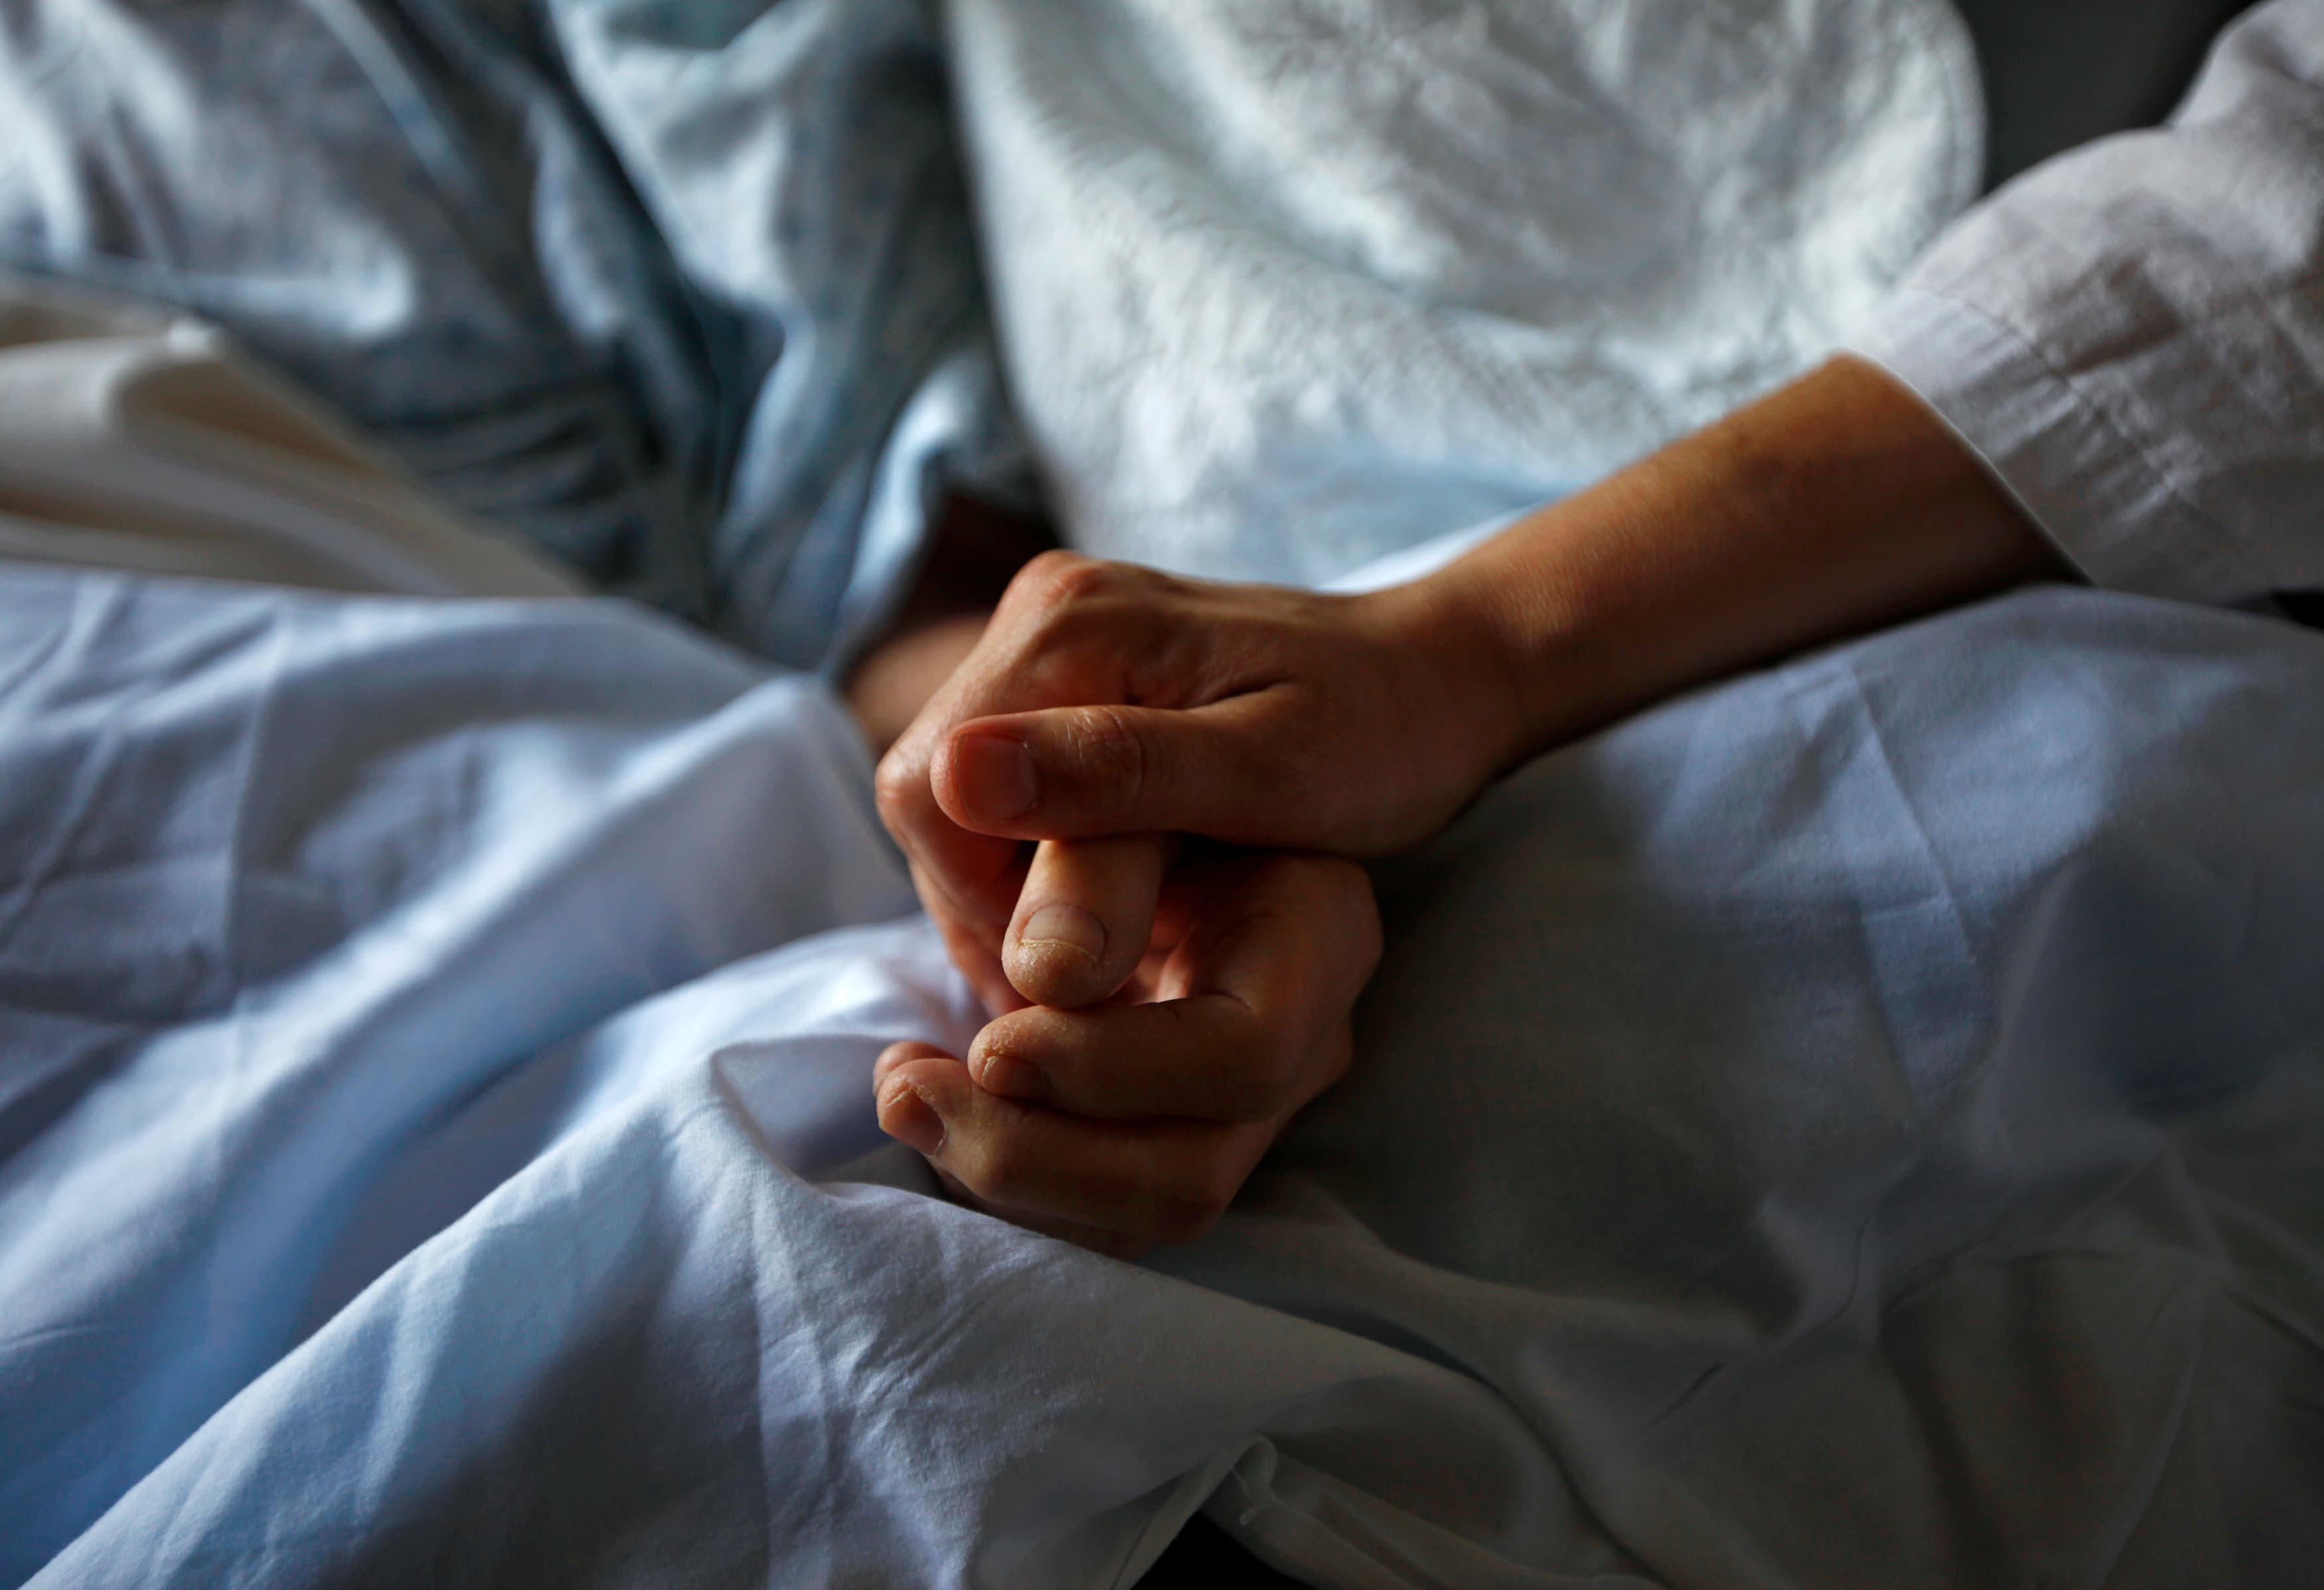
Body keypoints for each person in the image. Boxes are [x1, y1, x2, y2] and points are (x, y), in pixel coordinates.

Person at [867, 0, 2324, 1251]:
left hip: (1986, 605)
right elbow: (835, 556)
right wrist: (1144, 787)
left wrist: (1458, 652)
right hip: (1281, 798)